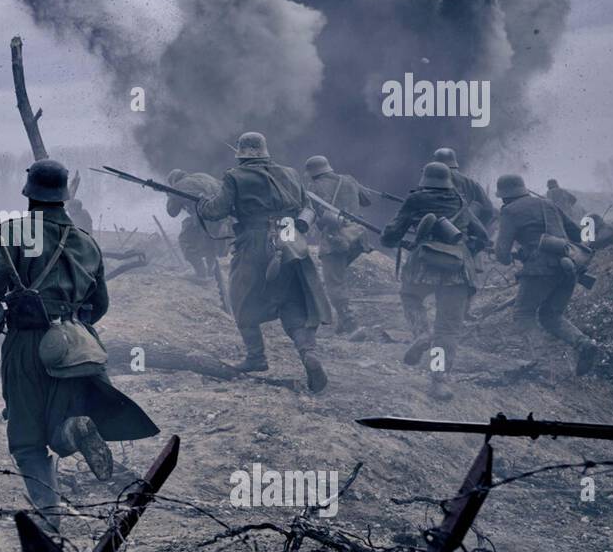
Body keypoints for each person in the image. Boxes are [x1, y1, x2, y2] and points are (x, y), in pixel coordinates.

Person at [0, 159, 158, 529]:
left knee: (26, 439)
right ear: (65, 197)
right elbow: (99, 306)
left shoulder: (18, 232)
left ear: (29, 195)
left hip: (28, 344)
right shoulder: (87, 241)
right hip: (79, 346)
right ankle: (71, 430)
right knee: (59, 415)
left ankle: (50, 518)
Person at [195, 133, 332, 392]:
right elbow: (309, 208)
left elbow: (215, 211)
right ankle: (308, 353)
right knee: (291, 300)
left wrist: (202, 203)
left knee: (241, 296)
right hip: (291, 242)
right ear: (264, 151)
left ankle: (256, 356)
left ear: (242, 153)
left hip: (254, 244)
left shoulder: (234, 176)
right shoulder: (291, 173)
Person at [381, 161, 489, 401]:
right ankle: (438, 381)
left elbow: (391, 234)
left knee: (410, 297)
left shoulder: (416, 199)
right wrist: (462, 248)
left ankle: (421, 333)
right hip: (457, 270)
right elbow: (483, 236)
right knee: (447, 329)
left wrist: (396, 238)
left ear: (425, 179)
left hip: (424, 266)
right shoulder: (461, 201)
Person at [493, 174, 599, 375]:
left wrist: (518, 254)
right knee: (551, 315)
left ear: (505, 196)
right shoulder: (548, 203)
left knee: (523, 314)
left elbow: (502, 255)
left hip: (540, 270)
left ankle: (540, 360)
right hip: (569, 267)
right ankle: (584, 344)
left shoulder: (509, 211)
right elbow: (577, 234)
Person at [303, 155, 372, 335]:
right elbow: (367, 200)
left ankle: (351, 324)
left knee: (334, 282)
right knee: (338, 277)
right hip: (357, 238)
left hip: (335, 240)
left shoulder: (313, 187)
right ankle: (342, 323)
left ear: (312, 173)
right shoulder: (348, 179)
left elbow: (310, 213)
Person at [166, 169, 232, 311]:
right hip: (223, 219)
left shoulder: (178, 186)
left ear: (173, 181)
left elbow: (172, 212)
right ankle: (210, 271)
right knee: (210, 246)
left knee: (185, 240)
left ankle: (201, 273)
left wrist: (169, 194)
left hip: (204, 218)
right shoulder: (205, 175)